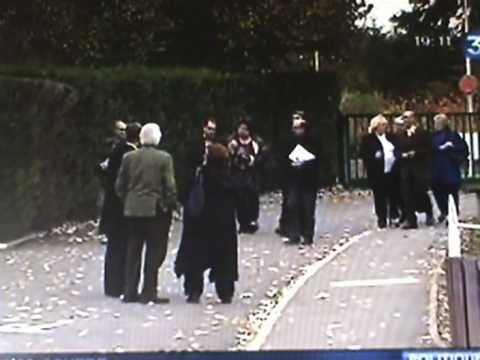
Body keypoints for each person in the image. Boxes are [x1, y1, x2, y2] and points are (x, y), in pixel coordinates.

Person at [115, 123, 178, 304]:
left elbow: (120, 185)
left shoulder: (128, 158)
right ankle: (149, 291)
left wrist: (127, 199)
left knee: (133, 249)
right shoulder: (164, 158)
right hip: (154, 210)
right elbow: (170, 185)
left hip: (133, 208)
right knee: (153, 250)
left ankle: (129, 290)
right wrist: (169, 204)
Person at [175, 143, 239, 304]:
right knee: (224, 258)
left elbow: (184, 193)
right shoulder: (229, 178)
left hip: (199, 222)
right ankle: (225, 291)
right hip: (223, 224)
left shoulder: (199, 176)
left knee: (195, 257)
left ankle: (193, 289)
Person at [99, 122, 141, 298]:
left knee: (113, 247)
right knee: (124, 246)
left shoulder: (117, 151)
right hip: (123, 207)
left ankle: (111, 285)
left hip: (112, 207)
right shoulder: (130, 155)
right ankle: (122, 283)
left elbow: (105, 172)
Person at [279, 111, 319, 245]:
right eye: (295, 128)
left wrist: (306, 163)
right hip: (293, 179)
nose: (298, 131)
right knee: (292, 205)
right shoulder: (288, 141)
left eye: (300, 128)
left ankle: (307, 235)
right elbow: (282, 158)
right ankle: (294, 234)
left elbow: (318, 157)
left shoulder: (312, 140)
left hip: (308, 179)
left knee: (307, 207)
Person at [360, 115, 399, 229]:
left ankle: (394, 215)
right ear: (376, 127)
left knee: (393, 194)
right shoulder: (368, 139)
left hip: (392, 170)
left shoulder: (391, 137)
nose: (384, 127)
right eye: (382, 125)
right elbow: (364, 154)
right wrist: (374, 156)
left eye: (385, 125)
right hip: (377, 172)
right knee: (380, 196)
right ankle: (381, 218)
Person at [396, 111, 434, 229]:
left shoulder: (422, 133)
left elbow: (429, 149)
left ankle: (428, 211)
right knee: (407, 194)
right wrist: (401, 155)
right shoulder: (401, 134)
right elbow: (396, 149)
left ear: (413, 119)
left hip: (419, 167)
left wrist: (416, 153)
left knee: (420, 192)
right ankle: (411, 220)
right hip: (406, 168)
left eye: (407, 118)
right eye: (403, 118)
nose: (405, 120)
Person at [228, 118, 266, 234]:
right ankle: (243, 223)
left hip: (252, 174)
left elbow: (263, 156)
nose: (242, 131)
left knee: (252, 196)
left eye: (245, 129)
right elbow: (228, 157)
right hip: (238, 174)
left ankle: (252, 220)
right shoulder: (232, 142)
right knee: (239, 198)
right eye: (240, 128)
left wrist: (252, 160)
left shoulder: (256, 142)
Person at [431, 113, 469, 223]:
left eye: (438, 123)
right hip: (436, 167)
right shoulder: (433, 136)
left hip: (449, 167)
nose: (436, 125)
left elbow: (463, 149)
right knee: (437, 190)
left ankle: (454, 213)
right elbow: (430, 149)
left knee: (452, 191)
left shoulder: (453, 135)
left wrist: (453, 150)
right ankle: (444, 211)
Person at [179, 118, 218, 206]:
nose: (211, 132)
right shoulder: (195, 142)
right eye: (209, 128)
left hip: (211, 181)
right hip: (196, 180)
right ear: (204, 128)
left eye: (214, 130)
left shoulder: (218, 144)